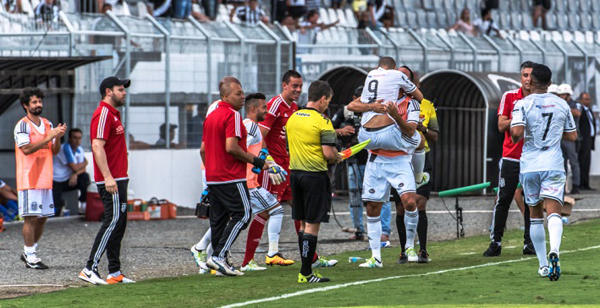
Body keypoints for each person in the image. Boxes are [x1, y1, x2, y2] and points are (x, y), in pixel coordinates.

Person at [347, 57, 423, 268]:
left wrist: (394, 116)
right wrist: (371, 107)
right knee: (372, 207)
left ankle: (409, 246)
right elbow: (351, 105)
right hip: (377, 159)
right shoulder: (377, 97)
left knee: (409, 202)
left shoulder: (411, 103)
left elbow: (409, 129)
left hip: (399, 159)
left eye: (404, 78)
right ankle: (376, 257)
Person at [258, 70, 337, 268]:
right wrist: (268, 161)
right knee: (268, 211)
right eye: (294, 85)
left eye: (301, 86)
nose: (298, 89)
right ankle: (253, 258)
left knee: (299, 216)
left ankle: (310, 259)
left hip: (292, 170)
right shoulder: (278, 105)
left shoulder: (294, 113)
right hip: (282, 169)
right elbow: (260, 135)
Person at [510, 63, 577, 281]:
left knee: (535, 215)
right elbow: (572, 136)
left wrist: (515, 134)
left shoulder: (522, 104)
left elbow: (517, 133)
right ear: (549, 83)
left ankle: (542, 265)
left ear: (531, 82)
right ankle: (555, 250)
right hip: (553, 164)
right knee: (554, 211)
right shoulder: (562, 104)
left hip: (530, 165)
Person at [201, 77, 267, 277]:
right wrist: (256, 161)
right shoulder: (232, 115)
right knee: (244, 214)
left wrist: (209, 171)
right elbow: (231, 148)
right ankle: (218, 256)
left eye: (242, 92)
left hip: (213, 178)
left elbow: (202, 150)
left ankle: (217, 262)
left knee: (219, 221)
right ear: (225, 96)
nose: (242, 96)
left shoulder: (211, 116)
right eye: (238, 93)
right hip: (230, 176)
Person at [79, 76, 135, 285]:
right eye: (120, 89)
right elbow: (96, 146)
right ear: (108, 92)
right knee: (111, 221)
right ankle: (89, 268)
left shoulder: (113, 114)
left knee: (119, 224)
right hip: (111, 180)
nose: (125, 93)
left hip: (120, 178)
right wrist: (108, 177)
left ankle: (114, 272)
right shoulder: (103, 113)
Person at [287, 80, 342, 283]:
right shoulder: (323, 121)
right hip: (314, 176)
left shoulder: (293, 117)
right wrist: (338, 157)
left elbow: (288, 147)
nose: (327, 104)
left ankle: (305, 270)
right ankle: (306, 273)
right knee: (312, 226)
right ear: (322, 99)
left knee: (302, 225)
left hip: (295, 174)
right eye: (328, 100)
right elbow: (328, 154)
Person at [483, 61, 536, 257]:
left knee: (532, 201)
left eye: (531, 75)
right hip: (511, 157)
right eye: (525, 75)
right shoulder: (510, 97)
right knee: (503, 199)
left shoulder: (541, 99)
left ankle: (529, 242)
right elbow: (500, 124)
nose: (528, 79)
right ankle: (495, 242)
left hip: (533, 158)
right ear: (520, 77)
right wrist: (522, 117)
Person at [239, 93, 293, 271]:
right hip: (247, 183)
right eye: (264, 108)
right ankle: (268, 255)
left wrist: (270, 163)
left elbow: (255, 150)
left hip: (246, 180)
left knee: (229, 219)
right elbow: (238, 151)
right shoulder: (252, 127)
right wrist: (266, 165)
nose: (267, 111)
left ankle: (208, 253)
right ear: (253, 109)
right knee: (274, 211)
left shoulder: (248, 126)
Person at [14, 87, 67, 269]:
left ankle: (30, 251)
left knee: (43, 217)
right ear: (25, 105)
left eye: (40, 101)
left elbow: (54, 150)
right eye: (34, 102)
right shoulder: (22, 125)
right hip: (29, 178)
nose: (39, 105)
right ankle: (30, 256)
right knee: (31, 217)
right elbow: (26, 149)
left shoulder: (47, 123)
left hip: (45, 176)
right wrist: (48, 137)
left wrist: (57, 137)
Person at [394, 70, 439, 264]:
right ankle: (404, 250)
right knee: (401, 206)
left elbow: (435, 135)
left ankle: (423, 250)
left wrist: (423, 129)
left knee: (419, 202)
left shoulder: (427, 105)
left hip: (421, 158)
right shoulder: (391, 103)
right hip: (399, 158)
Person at [331, 86, 366, 240]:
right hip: (352, 158)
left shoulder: (374, 110)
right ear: (353, 98)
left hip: (372, 160)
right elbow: (328, 129)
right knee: (354, 196)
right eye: (359, 98)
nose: (363, 101)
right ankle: (358, 229)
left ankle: (383, 232)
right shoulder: (345, 111)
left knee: (378, 197)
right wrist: (342, 131)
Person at [52, 128, 90, 216]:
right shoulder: (65, 148)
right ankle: (60, 206)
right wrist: (85, 163)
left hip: (69, 180)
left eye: (79, 138)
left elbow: (82, 169)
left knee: (84, 176)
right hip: (56, 181)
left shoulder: (80, 149)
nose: (77, 140)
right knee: (56, 210)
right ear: (69, 138)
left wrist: (75, 174)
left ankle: (83, 204)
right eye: (74, 138)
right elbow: (75, 167)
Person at [557, 84, 581, 194]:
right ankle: (563, 186)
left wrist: (564, 108)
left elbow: (578, 112)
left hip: (570, 138)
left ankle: (576, 185)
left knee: (573, 162)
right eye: (560, 95)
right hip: (560, 137)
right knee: (561, 164)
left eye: (563, 95)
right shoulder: (558, 103)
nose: (561, 97)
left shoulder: (574, 104)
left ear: (568, 95)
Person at [578, 92, 596, 191]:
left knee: (587, 163)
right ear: (581, 100)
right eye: (586, 99)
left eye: (589, 99)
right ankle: (581, 183)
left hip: (589, 140)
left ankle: (586, 183)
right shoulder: (580, 111)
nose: (588, 101)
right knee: (582, 162)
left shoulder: (589, 110)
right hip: (583, 141)